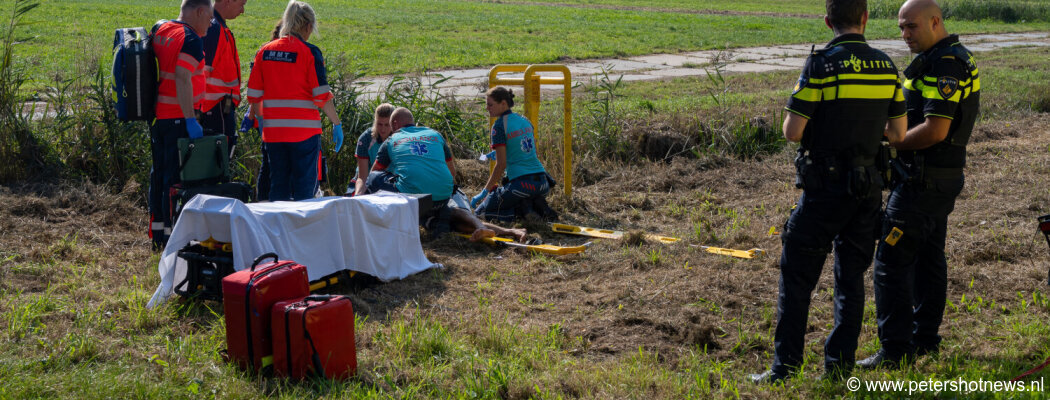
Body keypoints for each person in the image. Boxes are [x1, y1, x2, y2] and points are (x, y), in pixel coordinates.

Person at [750, 0, 907, 383]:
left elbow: (792, 132)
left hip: (824, 192)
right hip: (867, 190)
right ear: (866, 18)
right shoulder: (887, 66)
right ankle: (839, 367)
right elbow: (899, 134)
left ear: (827, 21)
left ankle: (785, 367)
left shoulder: (821, 65)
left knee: (797, 277)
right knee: (851, 280)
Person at [859, 0, 980, 369]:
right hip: (935, 179)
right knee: (928, 256)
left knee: (890, 261)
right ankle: (925, 338)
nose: (905, 34)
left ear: (935, 21)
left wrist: (893, 140)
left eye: (911, 26)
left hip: (924, 181)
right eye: (900, 27)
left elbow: (936, 129)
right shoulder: (941, 57)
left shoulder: (947, 64)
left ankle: (895, 349)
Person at [246, 0, 343, 201]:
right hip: (304, 134)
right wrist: (336, 123)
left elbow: (254, 94)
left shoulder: (264, 52)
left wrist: (263, 122)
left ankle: (275, 231)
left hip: (273, 134)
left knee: (278, 187)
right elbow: (321, 96)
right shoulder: (310, 52)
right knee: (304, 191)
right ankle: (301, 232)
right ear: (307, 26)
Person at [147, 0, 214, 248]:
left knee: (159, 175)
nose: (210, 22)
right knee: (174, 181)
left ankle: (157, 233)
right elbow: (182, 77)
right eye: (209, 16)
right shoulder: (192, 39)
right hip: (178, 118)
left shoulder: (162, 30)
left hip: (159, 118)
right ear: (199, 11)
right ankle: (172, 238)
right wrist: (189, 119)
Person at [366, 108, 456, 235]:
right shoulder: (435, 134)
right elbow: (452, 172)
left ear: (395, 123)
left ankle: (384, 225)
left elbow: (374, 172)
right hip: (443, 197)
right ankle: (437, 222)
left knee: (373, 178)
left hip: (412, 200)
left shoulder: (392, 140)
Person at [473, 87, 556, 223]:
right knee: (521, 197)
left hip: (521, 184)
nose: (487, 108)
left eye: (490, 104)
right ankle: (536, 207)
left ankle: (522, 213)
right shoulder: (524, 120)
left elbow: (501, 165)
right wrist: (498, 153)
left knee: (480, 213)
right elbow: (524, 148)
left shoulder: (499, 126)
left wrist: (485, 191)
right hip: (543, 183)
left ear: (503, 104)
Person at [199, 0, 246, 144]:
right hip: (214, 110)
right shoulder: (213, 29)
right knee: (219, 161)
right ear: (228, 2)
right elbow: (200, 72)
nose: (243, 10)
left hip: (216, 109)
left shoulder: (216, 26)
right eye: (241, 4)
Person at [350, 103, 395, 196]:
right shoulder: (366, 138)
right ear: (375, 122)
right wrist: (358, 197)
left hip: (390, 180)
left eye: (387, 125)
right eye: (379, 124)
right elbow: (362, 177)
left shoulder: (399, 138)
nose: (383, 129)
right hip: (366, 180)